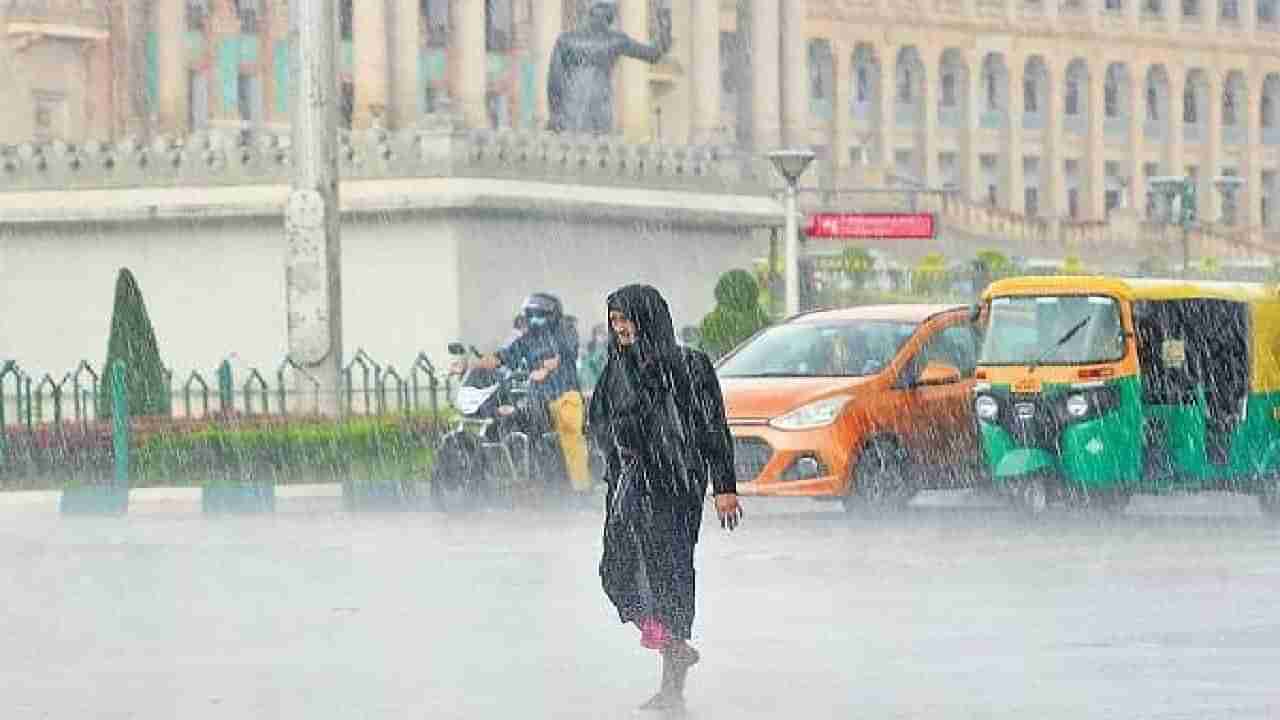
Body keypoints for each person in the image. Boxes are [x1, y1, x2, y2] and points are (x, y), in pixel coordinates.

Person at [588, 284, 742, 711]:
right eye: (614, 319)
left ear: (648, 318)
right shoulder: (616, 368)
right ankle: (672, 644)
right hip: (630, 483)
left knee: (668, 573)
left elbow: (713, 425)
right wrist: (616, 454)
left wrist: (724, 486)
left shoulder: (691, 366)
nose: (619, 328)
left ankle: (672, 683)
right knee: (615, 570)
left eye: (626, 319)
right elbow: (599, 419)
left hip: (676, 484)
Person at [461, 293, 593, 500]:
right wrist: (470, 364)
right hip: (536, 399)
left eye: (540, 315)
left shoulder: (565, 332)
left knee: (569, 434)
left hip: (564, 395)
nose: (534, 320)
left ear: (553, 315)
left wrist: (547, 369)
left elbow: (564, 353)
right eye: (531, 315)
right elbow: (501, 358)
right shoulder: (527, 340)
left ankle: (580, 490)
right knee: (508, 422)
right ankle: (515, 479)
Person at [578, 323, 609, 395]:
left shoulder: (603, 347)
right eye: (597, 334)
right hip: (590, 379)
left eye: (601, 335)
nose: (598, 337)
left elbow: (596, 361)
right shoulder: (592, 346)